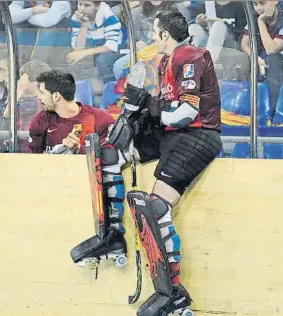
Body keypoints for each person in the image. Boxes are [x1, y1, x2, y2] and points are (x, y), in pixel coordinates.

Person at [112, 10, 222, 315]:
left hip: (196, 136)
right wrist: (139, 111)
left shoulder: (189, 55)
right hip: (175, 134)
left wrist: (151, 108)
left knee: (156, 209)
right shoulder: (165, 61)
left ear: (165, 35)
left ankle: (174, 293)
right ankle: (108, 234)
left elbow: (185, 113)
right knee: (113, 148)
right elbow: (165, 108)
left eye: (155, 32)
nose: (151, 37)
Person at [28, 70, 127, 263]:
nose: (37, 97)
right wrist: (62, 151)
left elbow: (110, 163)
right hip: (50, 196)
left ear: (56, 96)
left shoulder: (101, 120)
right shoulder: (41, 121)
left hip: (88, 198)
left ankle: (111, 238)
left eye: (41, 92)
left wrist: (79, 150)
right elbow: (33, 162)